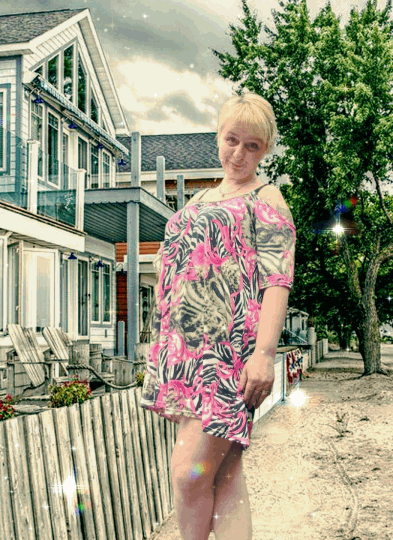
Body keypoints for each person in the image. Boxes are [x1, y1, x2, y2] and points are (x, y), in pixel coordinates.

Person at [140, 93, 296, 540]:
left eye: (252, 145)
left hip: (227, 358)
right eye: (232, 140)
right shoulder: (201, 198)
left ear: (264, 150)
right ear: (218, 136)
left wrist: (264, 354)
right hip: (185, 354)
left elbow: (277, 281)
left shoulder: (267, 198)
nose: (239, 154)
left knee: (188, 473)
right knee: (224, 475)